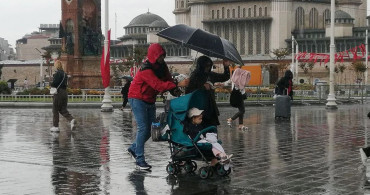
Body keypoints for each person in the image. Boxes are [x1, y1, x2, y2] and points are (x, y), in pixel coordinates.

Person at [127, 43, 188, 170]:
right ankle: (140, 160)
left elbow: (168, 78)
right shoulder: (146, 68)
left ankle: (134, 148)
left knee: (152, 130)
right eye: (160, 56)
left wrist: (174, 89)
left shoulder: (162, 65)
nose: (162, 59)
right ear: (153, 56)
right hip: (137, 98)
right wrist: (176, 83)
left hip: (149, 99)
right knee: (143, 128)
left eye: (163, 56)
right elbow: (157, 85)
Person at [185, 56, 231, 127]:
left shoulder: (210, 75)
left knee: (212, 128)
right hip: (198, 107)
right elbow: (189, 90)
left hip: (210, 106)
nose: (208, 68)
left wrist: (226, 66)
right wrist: (202, 87)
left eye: (209, 66)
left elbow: (225, 77)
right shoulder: (195, 76)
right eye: (206, 66)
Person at [50, 60, 76, 132]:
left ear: (56, 66)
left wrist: (51, 83)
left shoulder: (57, 74)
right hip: (65, 92)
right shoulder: (65, 74)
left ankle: (55, 126)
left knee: (55, 109)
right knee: (63, 109)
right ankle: (71, 119)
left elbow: (54, 84)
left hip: (58, 93)